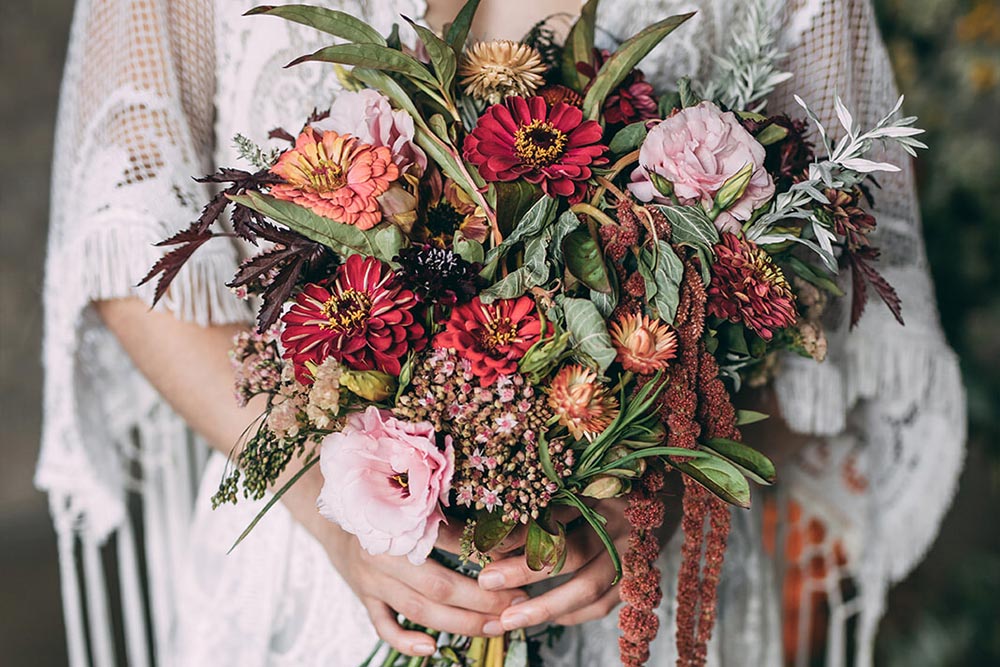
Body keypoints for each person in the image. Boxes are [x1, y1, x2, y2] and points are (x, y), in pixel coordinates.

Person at [39, 0, 965, 665]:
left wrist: (656, 473)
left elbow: (815, 264)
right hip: (310, 592)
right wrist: (344, 505)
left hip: (633, 596)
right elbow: (120, 251)